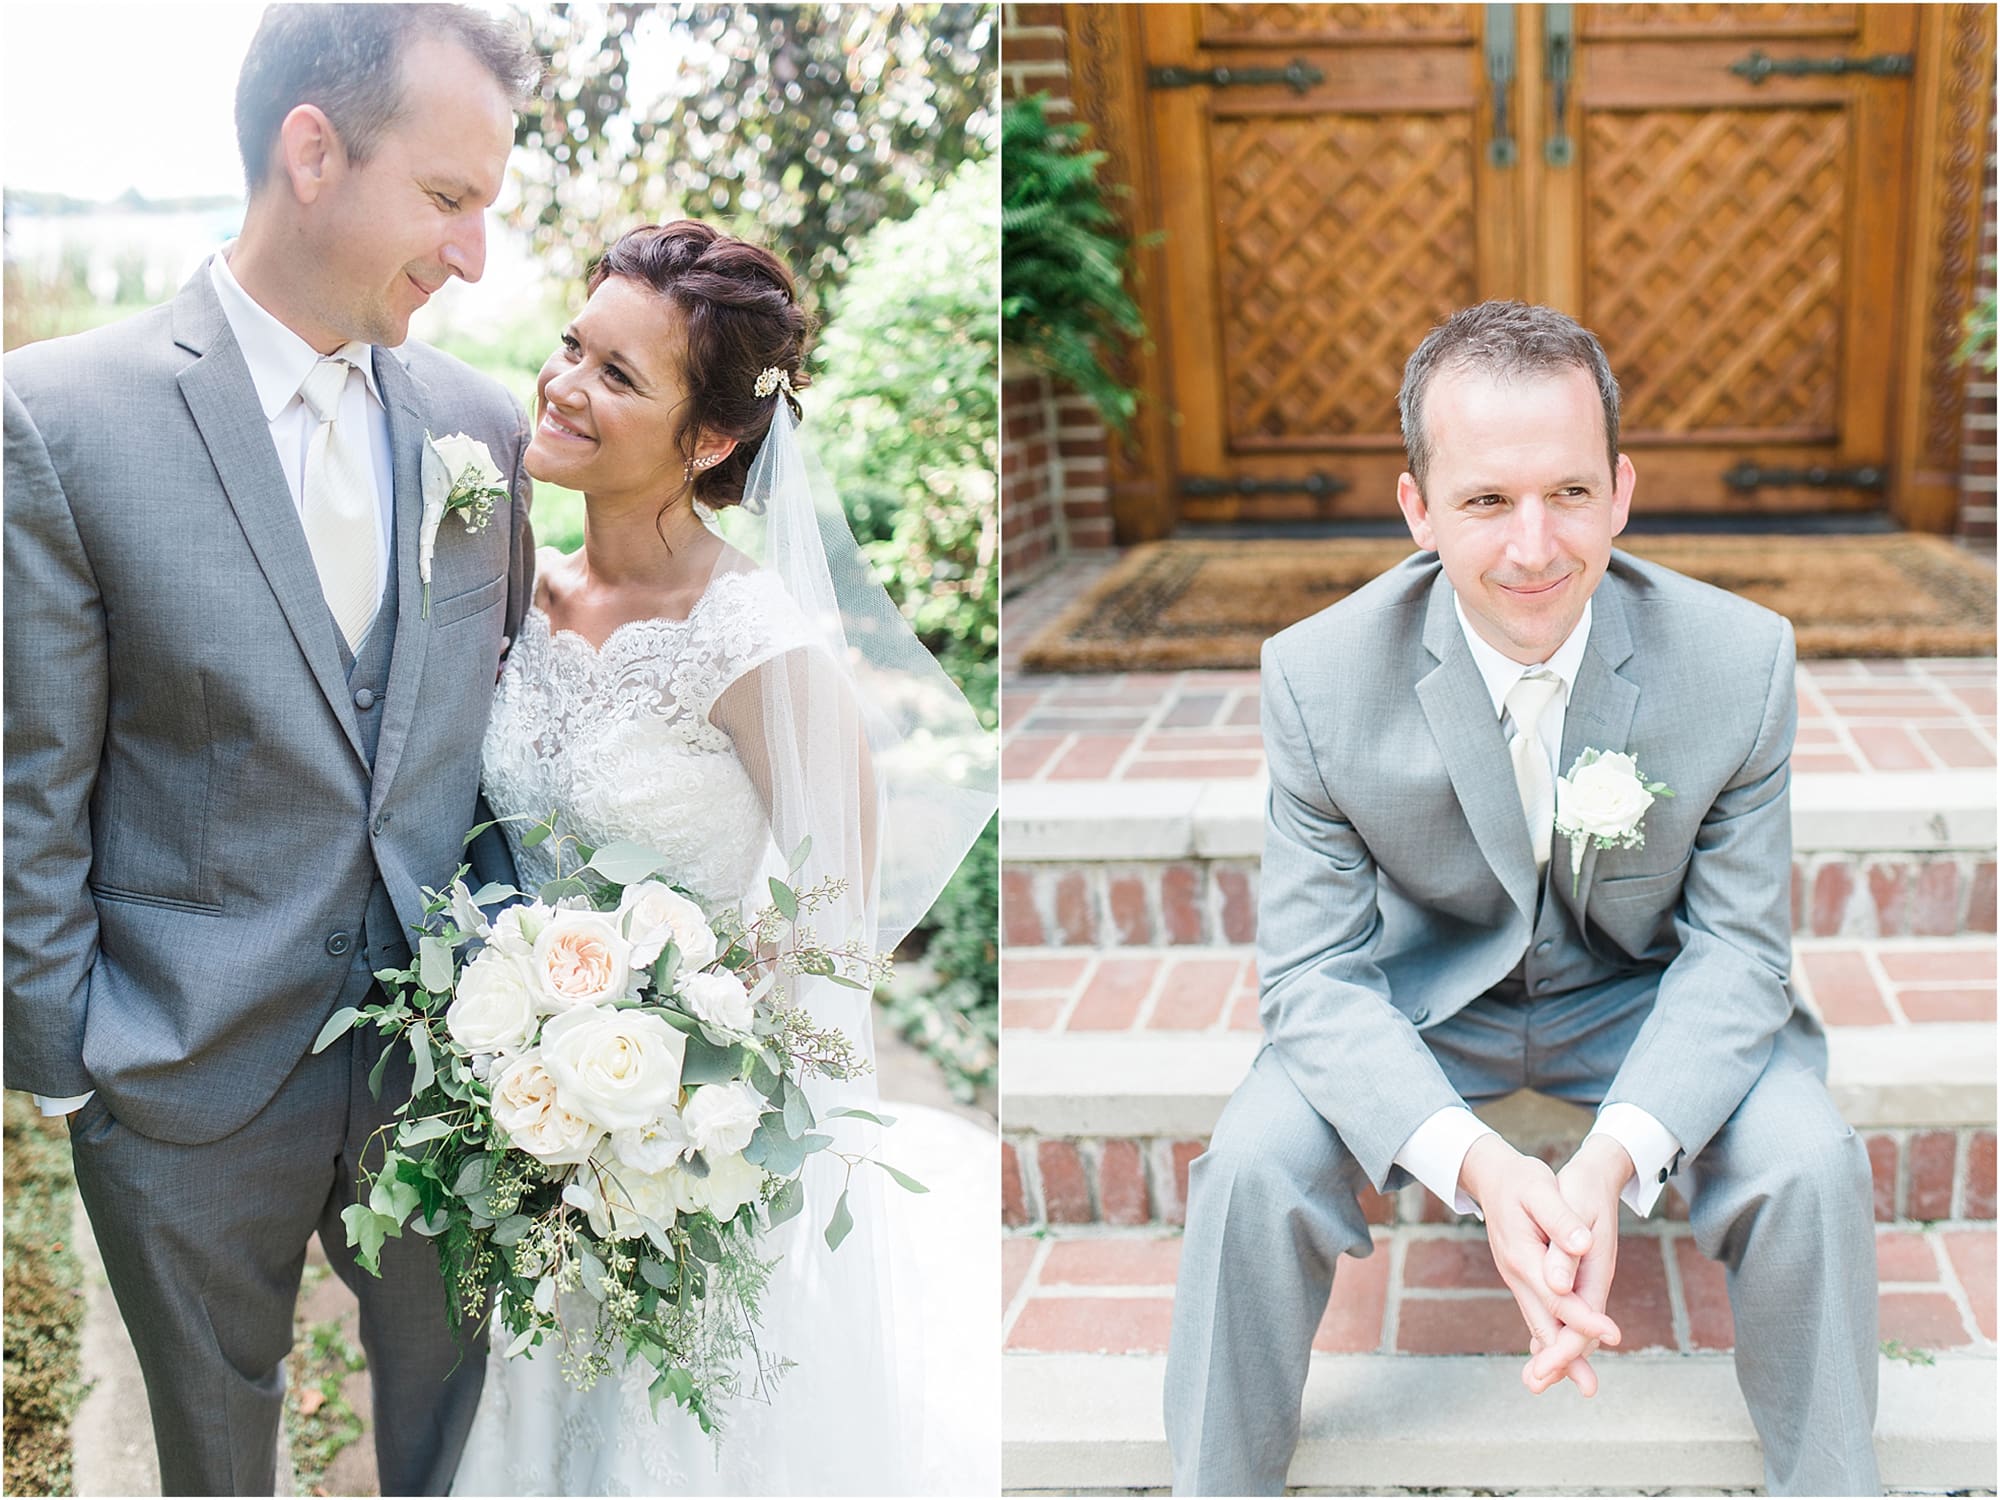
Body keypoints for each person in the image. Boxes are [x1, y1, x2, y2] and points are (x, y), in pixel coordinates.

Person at [1163, 301, 1878, 1496]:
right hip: (1425, 1003)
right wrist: (1487, 1173)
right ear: (1417, 508)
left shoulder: (1739, 660)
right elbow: (1308, 980)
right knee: (1248, 1162)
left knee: (1808, 1160)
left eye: (1568, 493)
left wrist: (1603, 1168)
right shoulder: (1318, 676)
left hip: (1640, 996)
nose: (1535, 546)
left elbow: (1740, 958)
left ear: (1621, 491)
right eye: (1486, 501)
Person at [3, 7, 539, 1493]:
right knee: (215, 1458)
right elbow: (27, 783)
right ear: (314, 150)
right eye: (448, 199)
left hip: (448, 1079)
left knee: (460, 1439)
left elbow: (499, 749)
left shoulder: (478, 428)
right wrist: (70, 1072)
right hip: (176, 1080)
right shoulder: (60, 418)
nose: (475, 254)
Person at [451, 219, 998, 1496]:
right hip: (522, 1109)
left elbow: (837, 906)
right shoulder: (510, 582)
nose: (564, 387)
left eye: (618, 377)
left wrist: (695, 1093)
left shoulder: (754, 638)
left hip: (670, 1146)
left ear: (708, 441)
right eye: (572, 347)